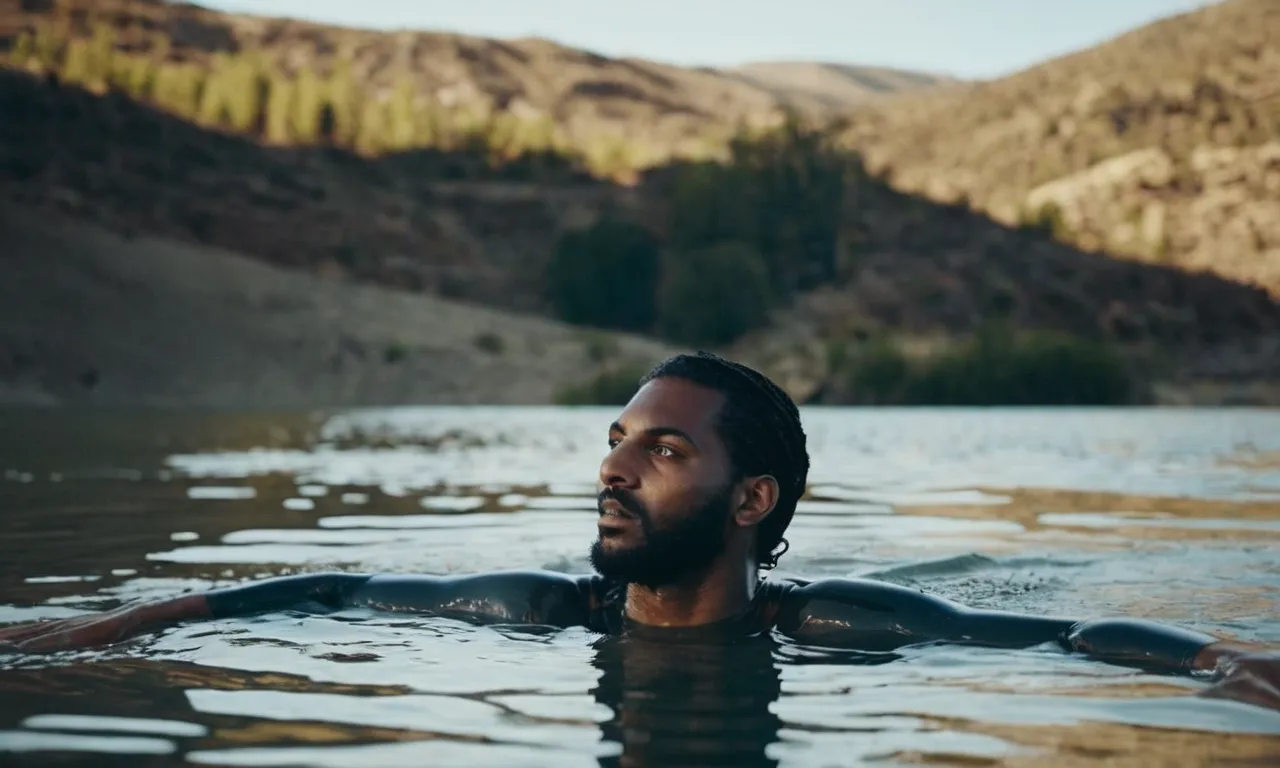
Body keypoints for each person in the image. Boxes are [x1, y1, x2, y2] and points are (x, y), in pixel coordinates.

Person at [2, 352, 1278, 713]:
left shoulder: (827, 627)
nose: (612, 472)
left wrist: (1224, 665)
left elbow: (1062, 632)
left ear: (749, 500)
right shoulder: (544, 612)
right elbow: (329, 592)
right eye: (615, 440)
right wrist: (105, 628)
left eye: (661, 449)